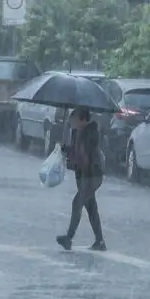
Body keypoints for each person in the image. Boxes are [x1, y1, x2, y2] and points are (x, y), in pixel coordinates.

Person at [56, 107, 107, 251]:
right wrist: (66, 148)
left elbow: (84, 154)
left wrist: (72, 148)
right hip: (84, 175)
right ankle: (100, 242)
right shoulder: (77, 132)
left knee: (77, 202)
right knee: (91, 208)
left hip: (92, 175)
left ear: (83, 120)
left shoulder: (91, 133)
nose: (72, 122)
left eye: (74, 119)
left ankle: (68, 238)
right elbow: (75, 154)